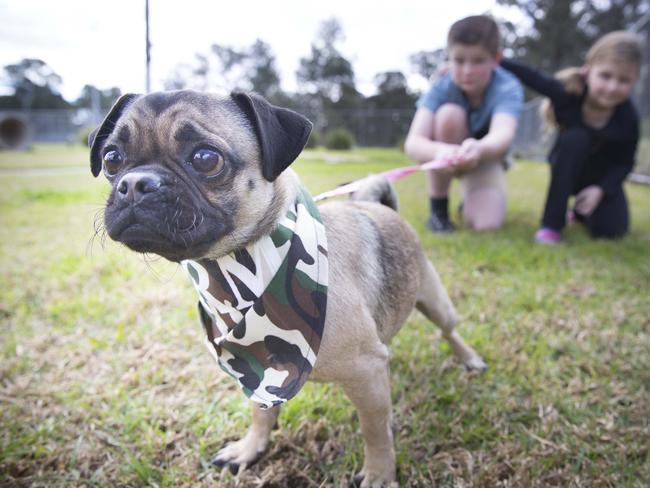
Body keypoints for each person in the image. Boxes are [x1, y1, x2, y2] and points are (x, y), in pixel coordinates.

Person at [500, 31, 643, 244]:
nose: (612, 87)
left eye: (623, 80)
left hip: (599, 178)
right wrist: (492, 60)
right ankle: (552, 224)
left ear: (633, 81)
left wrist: (600, 190)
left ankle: (580, 213)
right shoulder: (569, 93)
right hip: (566, 167)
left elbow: (624, 163)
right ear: (588, 71)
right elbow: (531, 75)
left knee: (612, 231)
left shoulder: (628, 119)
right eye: (605, 76)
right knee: (577, 138)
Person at [404, 15, 523, 233]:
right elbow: (413, 143)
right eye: (459, 60)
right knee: (449, 114)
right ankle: (438, 212)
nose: (467, 71)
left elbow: (503, 134)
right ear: (449, 58)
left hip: (485, 156)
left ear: (495, 59)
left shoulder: (508, 87)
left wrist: (479, 149)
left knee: (486, 224)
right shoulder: (442, 86)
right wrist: (441, 152)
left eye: (478, 61)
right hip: (447, 154)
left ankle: (471, 199)